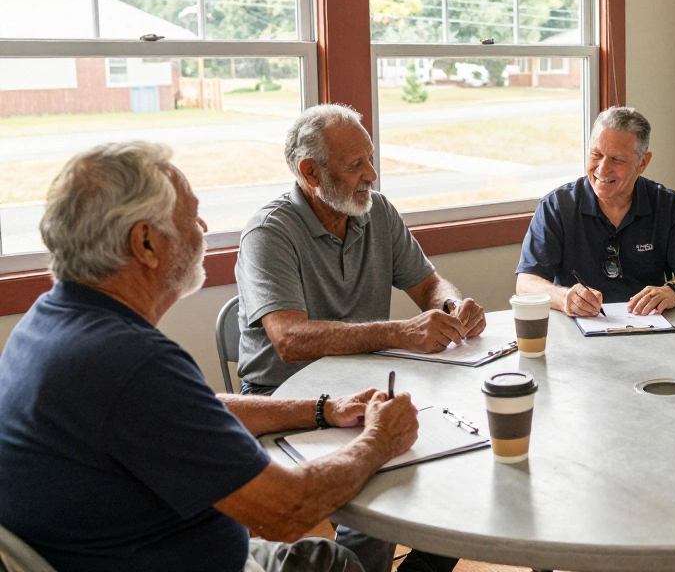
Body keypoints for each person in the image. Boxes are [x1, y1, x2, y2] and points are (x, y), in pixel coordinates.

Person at [0, 142, 420, 572]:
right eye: (190, 216)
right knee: (334, 563)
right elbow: (288, 510)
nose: (201, 226)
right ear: (145, 242)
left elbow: (188, 412)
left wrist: (323, 409)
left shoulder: (50, 321)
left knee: (327, 558)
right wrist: (380, 440)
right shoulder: (128, 363)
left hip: (128, 551)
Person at [236, 104, 481, 572]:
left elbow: (429, 284)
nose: (371, 173)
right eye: (355, 166)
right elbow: (289, 339)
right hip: (285, 399)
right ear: (310, 172)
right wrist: (401, 332)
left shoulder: (377, 211)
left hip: (367, 390)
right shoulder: (269, 232)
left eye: (370, 158)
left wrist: (450, 306)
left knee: (466, 464)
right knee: (375, 498)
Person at [516, 106, 675, 317]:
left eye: (617, 160)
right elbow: (526, 283)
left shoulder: (670, 205)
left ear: (642, 162)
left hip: (651, 326)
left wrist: (673, 290)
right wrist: (564, 297)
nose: (602, 169)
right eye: (596, 155)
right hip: (577, 327)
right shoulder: (556, 205)